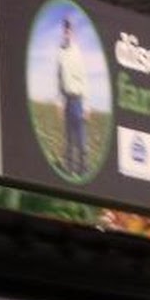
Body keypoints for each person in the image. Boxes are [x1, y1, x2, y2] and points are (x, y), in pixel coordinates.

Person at [57, 14, 90, 178]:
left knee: (81, 138)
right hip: (67, 100)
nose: (67, 32)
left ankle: (83, 168)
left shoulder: (77, 53)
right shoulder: (60, 52)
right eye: (65, 30)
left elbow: (84, 79)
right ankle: (69, 169)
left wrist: (86, 106)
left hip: (78, 100)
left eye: (69, 30)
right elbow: (59, 78)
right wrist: (59, 102)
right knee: (69, 138)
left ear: (72, 32)